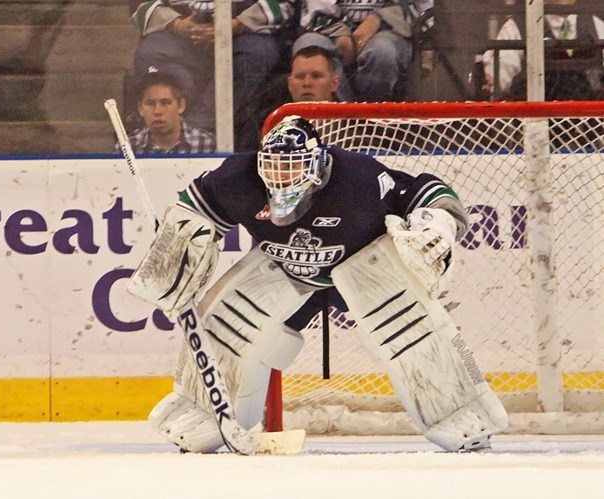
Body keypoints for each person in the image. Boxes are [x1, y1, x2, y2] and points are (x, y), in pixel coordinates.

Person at [127, 115, 508, 453]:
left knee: (410, 327)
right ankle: (206, 411)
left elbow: (426, 191)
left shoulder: (358, 178)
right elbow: (194, 207)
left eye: (292, 168)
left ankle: (461, 411)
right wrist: (178, 243)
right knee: (227, 321)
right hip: (284, 269)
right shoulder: (240, 179)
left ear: (317, 166)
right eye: (274, 168)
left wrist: (437, 223)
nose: (281, 178)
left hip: (363, 267)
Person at [129, 0, 296, 132]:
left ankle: (199, 128)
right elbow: (140, 5)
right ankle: (180, 129)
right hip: (180, 39)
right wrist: (176, 24)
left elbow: (283, 5)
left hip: (244, 38)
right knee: (151, 51)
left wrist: (239, 24)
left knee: (261, 52)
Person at [293, 0, 434, 102]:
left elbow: (424, 13)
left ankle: (370, 124)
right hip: (330, 30)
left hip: (391, 32)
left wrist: (380, 19)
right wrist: (340, 34)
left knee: (383, 50)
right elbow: (313, 14)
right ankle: (339, 121)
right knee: (309, 45)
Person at [479, 0, 603, 100]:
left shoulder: (597, 26)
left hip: (590, 126)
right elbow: (495, 81)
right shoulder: (516, 26)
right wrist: (488, 81)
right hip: (536, 124)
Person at [235, 45, 340, 150]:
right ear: (289, 84)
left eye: (316, 76)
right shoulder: (263, 128)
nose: (307, 83)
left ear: (334, 84)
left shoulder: (353, 128)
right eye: (300, 76)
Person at [115, 72, 215, 154]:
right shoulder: (127, 148)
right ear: (140, 108)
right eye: (150, 104)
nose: (157, 111)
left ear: (181, 105)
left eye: (165, 103)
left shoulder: (209, 144)